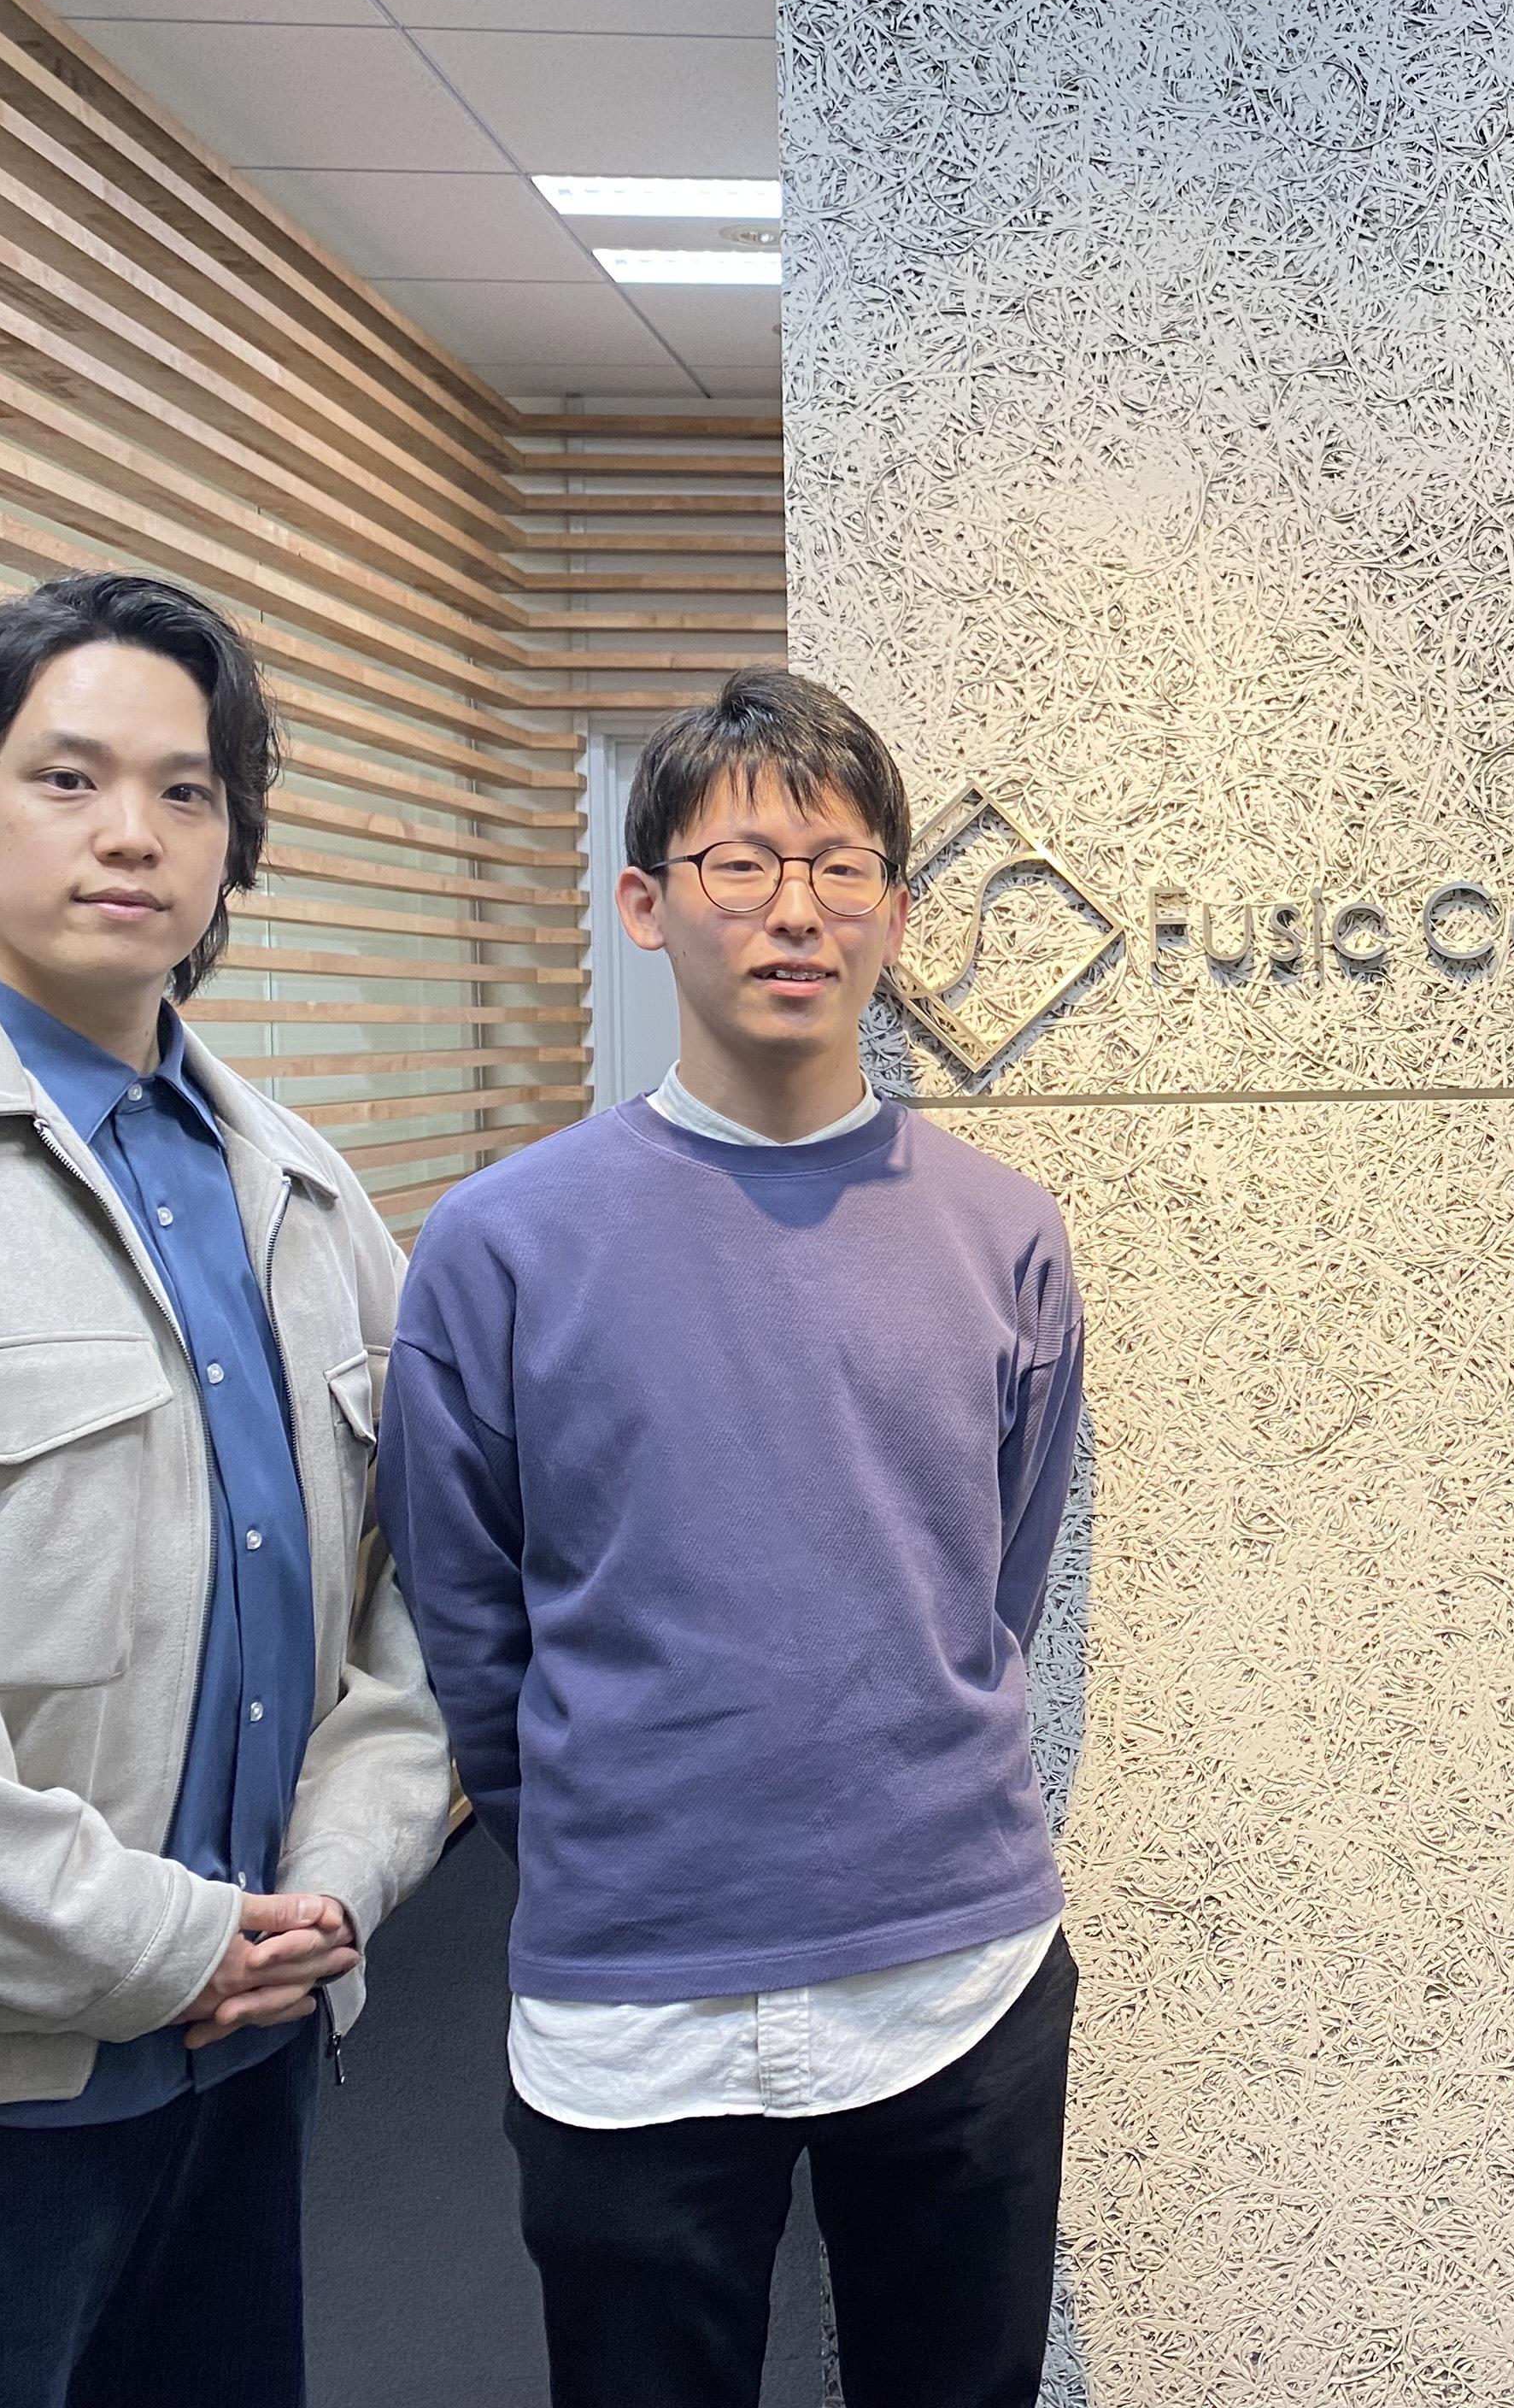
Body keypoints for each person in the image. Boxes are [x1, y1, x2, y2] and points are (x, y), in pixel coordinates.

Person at [379, 667, 1086, 2408]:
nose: (796, 911)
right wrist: (609, 1829)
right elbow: (467, 1616)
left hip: (953, 1972)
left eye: (842, 869)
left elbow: (993, 1577)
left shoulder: (1004, 1234)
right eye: (741, 865)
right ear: (645, 904)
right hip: (635, 1999)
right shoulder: (500, 1244)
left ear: (896, 917)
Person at [0, 573, 455, 2407]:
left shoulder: (302, 1191)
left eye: (189, 792)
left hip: (248, 2061)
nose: (135, 836)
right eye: (69, 778)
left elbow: (417, 1599)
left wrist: (339, 1884)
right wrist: (153, 1946)